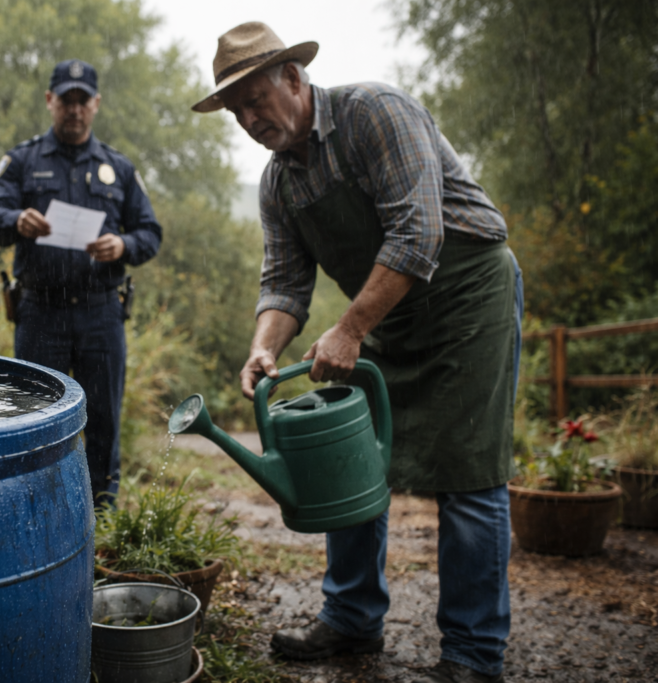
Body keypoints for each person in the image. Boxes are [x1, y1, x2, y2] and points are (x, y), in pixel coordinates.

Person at [192, 22, 524, 683]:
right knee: (346, 459)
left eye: (257, 99)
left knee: (468, 472)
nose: (251, 119)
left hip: (467, 300)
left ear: (293, 78)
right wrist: (263, 348)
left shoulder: (374, 114)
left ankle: (473, 654)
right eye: (237, 111)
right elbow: (284, 283)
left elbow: (419, 230)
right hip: (385, 318)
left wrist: (348, 329)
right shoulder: (277, 184)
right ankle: (350, 617)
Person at [0, 59, 162, 506]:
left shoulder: (117, 167)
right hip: (40, 311)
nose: (75, 110)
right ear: (50, 101)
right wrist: (17, 220)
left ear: (96, 104)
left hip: (101, 311)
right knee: (36, 414)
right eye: (66, 100)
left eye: (83, 101)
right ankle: (36, 508)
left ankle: (102, 513)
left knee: (102, 418)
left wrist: (122, 246)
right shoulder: (22, 160)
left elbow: (150, 232)